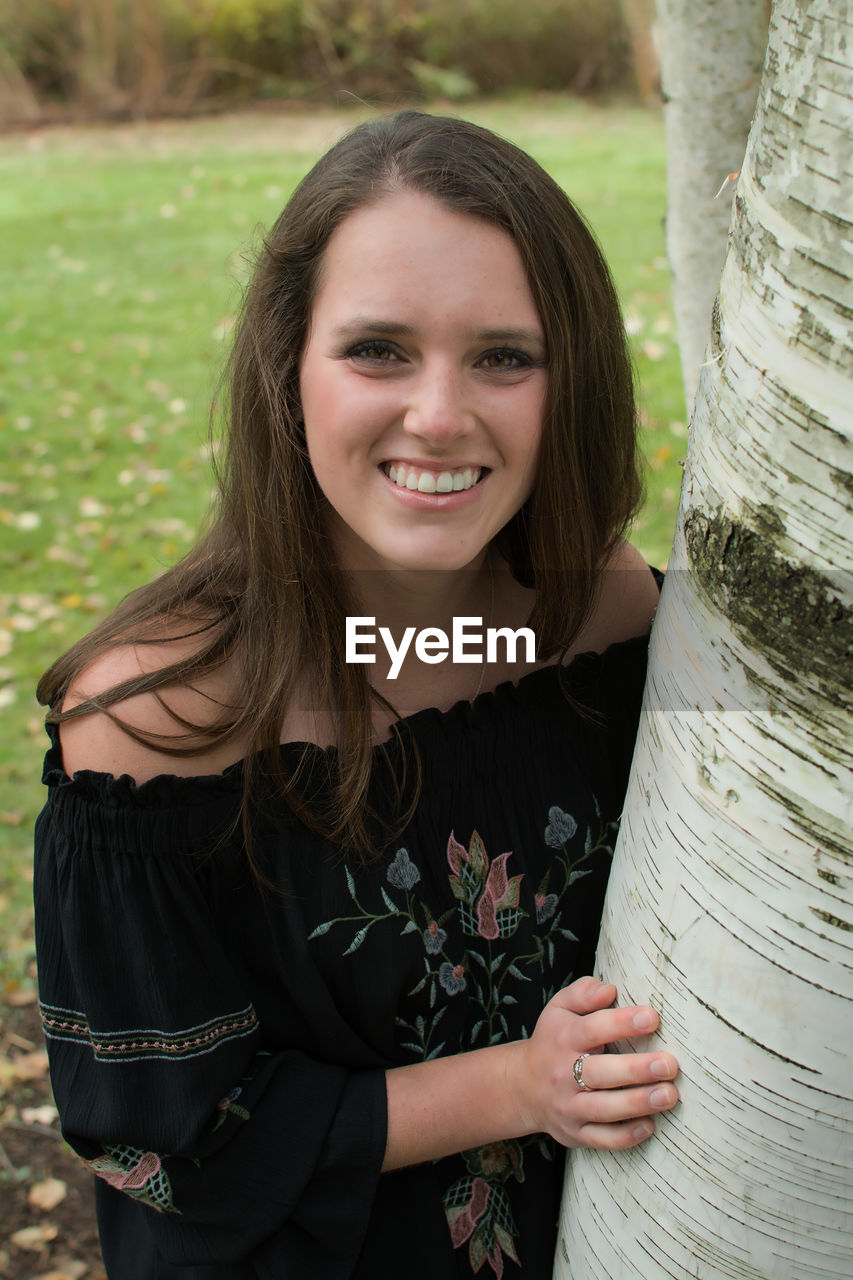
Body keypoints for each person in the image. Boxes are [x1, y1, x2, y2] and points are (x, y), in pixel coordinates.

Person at [34, 111, 679, 1279]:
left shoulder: (607, 614)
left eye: (503, 355)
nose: (439, 414)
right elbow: (165, 1144)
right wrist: (513, 1087)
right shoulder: (156, 717)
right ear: (289, 365)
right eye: (378, 348)